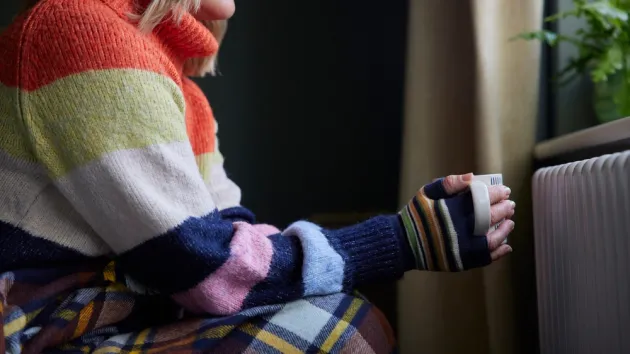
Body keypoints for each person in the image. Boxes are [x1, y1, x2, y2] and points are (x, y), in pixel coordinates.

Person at [0, 0, 515, 352]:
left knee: (340, 315)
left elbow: (231, 240)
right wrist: (399, 241)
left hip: (106, 322)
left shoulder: (177, 89)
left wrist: (410, 238)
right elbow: (207, 269)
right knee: (339, 331)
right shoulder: (80, 31)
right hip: (37, 334)